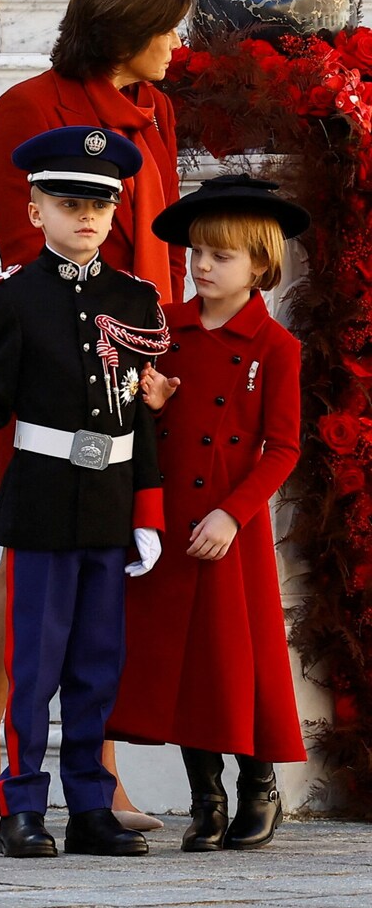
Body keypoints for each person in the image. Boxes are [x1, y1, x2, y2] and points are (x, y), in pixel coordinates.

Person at [0, 0, 191, 833]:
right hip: (51, 365)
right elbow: (24, 255)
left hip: (140, 370)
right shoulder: (29, 107)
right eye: (166, 26)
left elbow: (159, 241)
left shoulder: (156, 108)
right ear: (124, 26)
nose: (177, 43)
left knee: (102, 562)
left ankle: (95, 773)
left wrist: (156, 354)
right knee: (28, 557)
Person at [0, 126, 170, 858]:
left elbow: (143, 415)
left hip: (112, 501)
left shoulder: (137, 299)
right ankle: (22, 804)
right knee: (34, 667)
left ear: (117, 210)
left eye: (100, 202)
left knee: (96, 664)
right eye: (68, 200)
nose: (86, 215)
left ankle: (90, 807)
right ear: (35, 211)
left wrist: (146, 514)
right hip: (43, 501)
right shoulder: (14, 298)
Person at [106, 173, 310, 852]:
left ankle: (260, 787)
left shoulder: (276, 348)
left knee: (236, 658)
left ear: (259, 263)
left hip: (231, 528)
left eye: (219, 255)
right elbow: (136, 422)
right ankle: (207, 797)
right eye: (196, 252)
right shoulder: (166, 333)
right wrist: (149, 405)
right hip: (171, 521)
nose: (201, 266)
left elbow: (282, 448)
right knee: (183, 661)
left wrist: (233, 515)